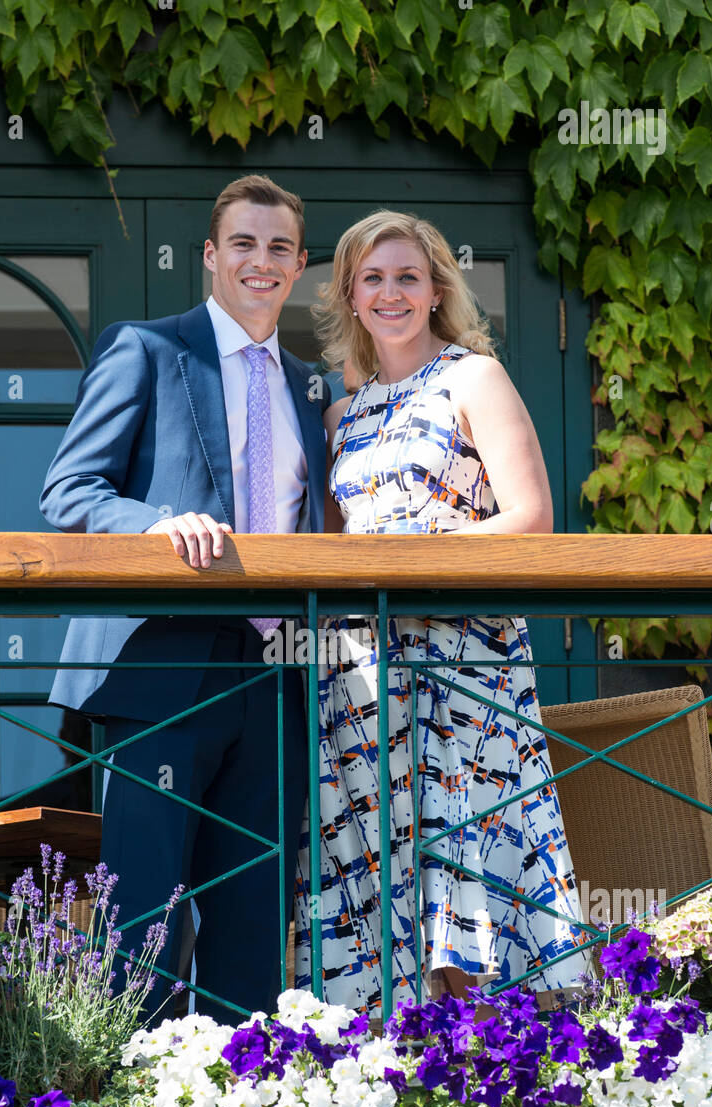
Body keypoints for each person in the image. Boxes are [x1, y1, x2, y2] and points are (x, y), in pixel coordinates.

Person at [39, 174, 328, 1025]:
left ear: (300, 264)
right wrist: (161, 525)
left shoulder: (312, 389)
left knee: (254, 921)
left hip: (277, 677)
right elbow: (69, 491)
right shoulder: (148, 348)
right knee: (141, 924)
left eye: (279, 248)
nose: (260, 261)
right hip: (159, 667)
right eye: (242, 243)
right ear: (210, 255)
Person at [292, 210, 591, 1020]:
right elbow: (331, 549)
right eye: (373, 279)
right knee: (380, 874)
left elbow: (531, 520)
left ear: (435, 293)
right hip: (360, 679)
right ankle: (401, 1090)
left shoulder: (474, 378)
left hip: (463, 664)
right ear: (350, 297)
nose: (390, 293)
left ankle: (513, 1087)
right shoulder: (338, 417)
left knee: (469, 862)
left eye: (408, 278)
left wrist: (417, 559)